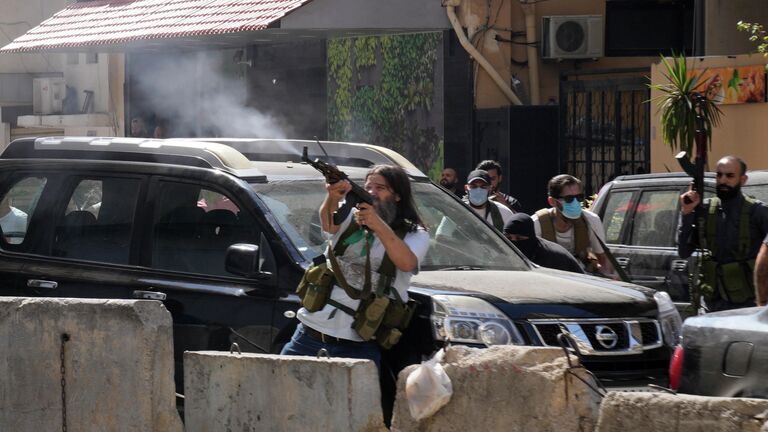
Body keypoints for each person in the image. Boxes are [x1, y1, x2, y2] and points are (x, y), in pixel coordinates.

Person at [281, 165, 430, 369]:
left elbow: (406, 263)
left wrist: (378, 225)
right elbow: (329, 226)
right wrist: (332, 197)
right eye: (368, 186)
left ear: (397, 195)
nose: (371, 193)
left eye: (380, 188)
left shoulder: (415, 234)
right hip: (309, 335)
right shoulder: (352, 217)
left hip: (358, 345)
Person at [679, 155, 768, 311]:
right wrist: (687, 213)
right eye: (719, 175)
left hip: (749, 306)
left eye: (730, 176)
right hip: (713, 305)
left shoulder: (758, 212)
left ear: (743, 179)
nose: (723, 180)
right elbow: (684, 251)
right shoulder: (706, 210)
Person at [532, 174, 617, 278]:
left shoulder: (590, 221)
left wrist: (607, 276)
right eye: (569, 199)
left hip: (580, 277)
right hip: (547, 277)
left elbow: (602, 258)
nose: (575, 202)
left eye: (579, 197)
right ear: (552, 201)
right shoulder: (537, 223)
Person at [503, 213, 583, 274]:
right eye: (509, 238)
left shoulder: (553, 257)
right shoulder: (501, 252)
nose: (513, 242)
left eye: (519, 238)